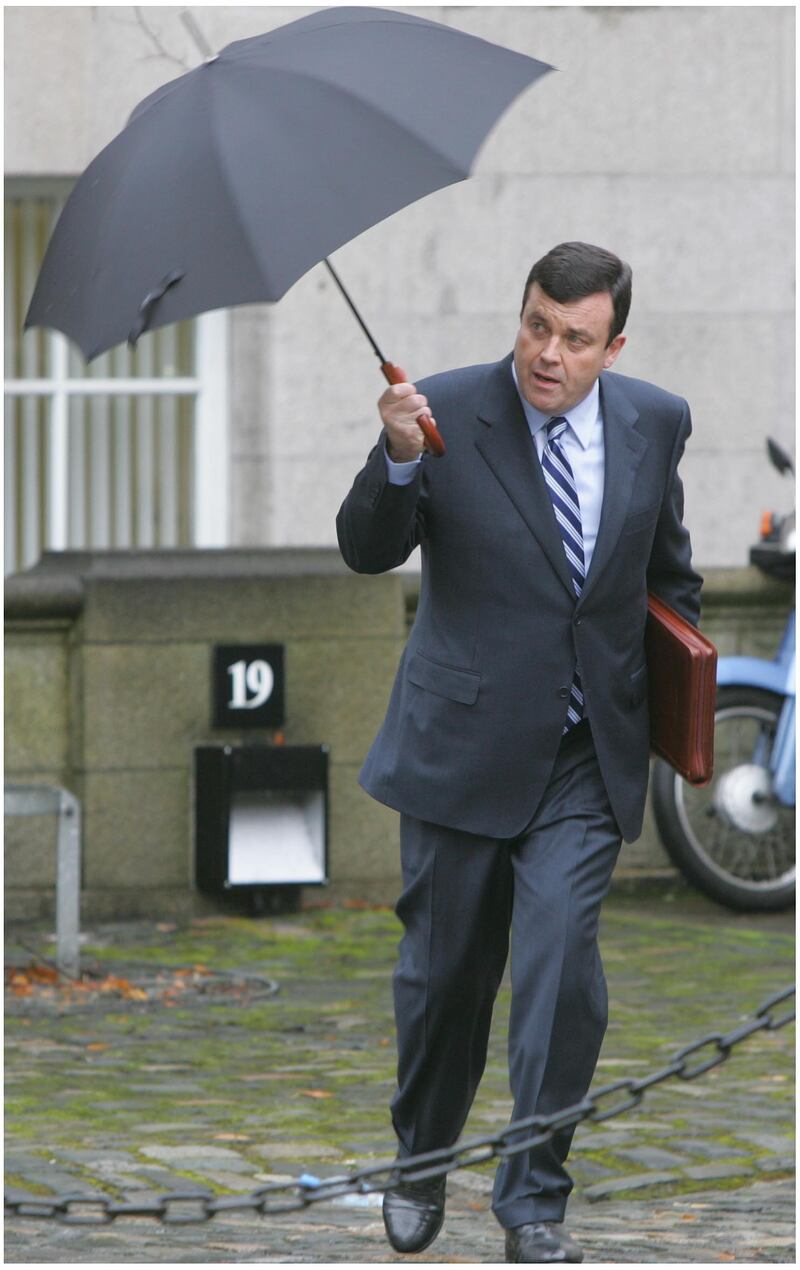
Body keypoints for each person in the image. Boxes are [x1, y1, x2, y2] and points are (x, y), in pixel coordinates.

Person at [336, 241, 702, 1264]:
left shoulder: (654, 420)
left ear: (611, 345)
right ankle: (419, 1163)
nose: (547, 352)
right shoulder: (444, 407)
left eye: (574, 338)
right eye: (535, 323)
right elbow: (365, 548)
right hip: (458, 748)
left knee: (557, 967)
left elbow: (666, 576)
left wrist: (671, 693)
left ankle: (533, 1196)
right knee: (445, 978)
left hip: (586, 754)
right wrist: (398, 454)